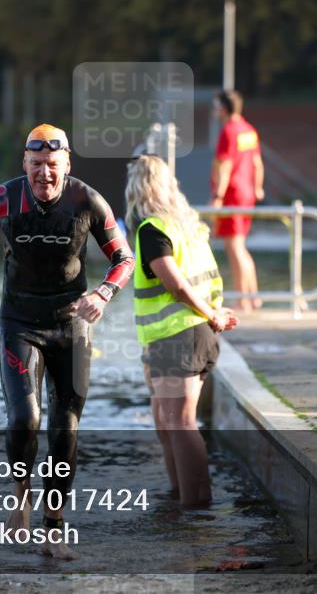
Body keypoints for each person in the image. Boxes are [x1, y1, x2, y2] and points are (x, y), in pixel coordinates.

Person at [0, 123, 134, 559]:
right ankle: (21, 499)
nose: (45, 174)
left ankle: (54, 529)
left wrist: (104, 294)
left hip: (71, 325)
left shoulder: (86, 200)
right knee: (24, 418)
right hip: (19, 321)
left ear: (66, 164)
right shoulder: (2, 198)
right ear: (25, 164)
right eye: (36, 165)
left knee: (65, 428)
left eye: (53, 165)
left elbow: (124, 257)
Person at [126, 153, 238, 507]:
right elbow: (211, 279)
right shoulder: (190, 228)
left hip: (181, 336)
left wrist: (213, 315)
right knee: (165, 418)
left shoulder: (153, 229)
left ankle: (195, 508)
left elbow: (177, 286)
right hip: (185, 335)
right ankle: (178, 498)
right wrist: (214, 312)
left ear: (136, 190)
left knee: (180, 420)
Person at [210, 90, 265, 313]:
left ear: (223, 108)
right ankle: (253, 297)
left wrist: (218, 197)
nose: (214, 110)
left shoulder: (229, 131)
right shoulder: (248, 130)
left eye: (216, 106)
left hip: (232, 194)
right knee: (240, 246)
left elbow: (224, 165)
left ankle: (243, 299)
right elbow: (257, 163)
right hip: (247, 192)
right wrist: (258, 187)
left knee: (233, 246)